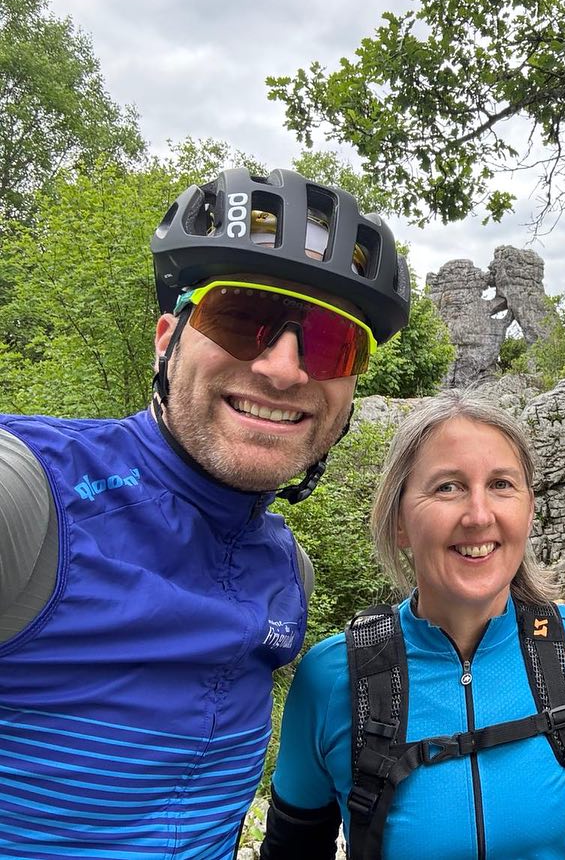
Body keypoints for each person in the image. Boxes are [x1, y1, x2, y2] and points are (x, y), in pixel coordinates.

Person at [0, 167, 410, 858]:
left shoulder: (288, 573)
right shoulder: (29, 497)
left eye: (331, 341)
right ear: (167, 339)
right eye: (242, 317)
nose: (284, 369)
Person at [260, 391, 565, 860]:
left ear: (529, 510)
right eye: (448, 486)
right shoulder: (332, 678)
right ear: (400, 521)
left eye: (502, 485)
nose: (479, 515)